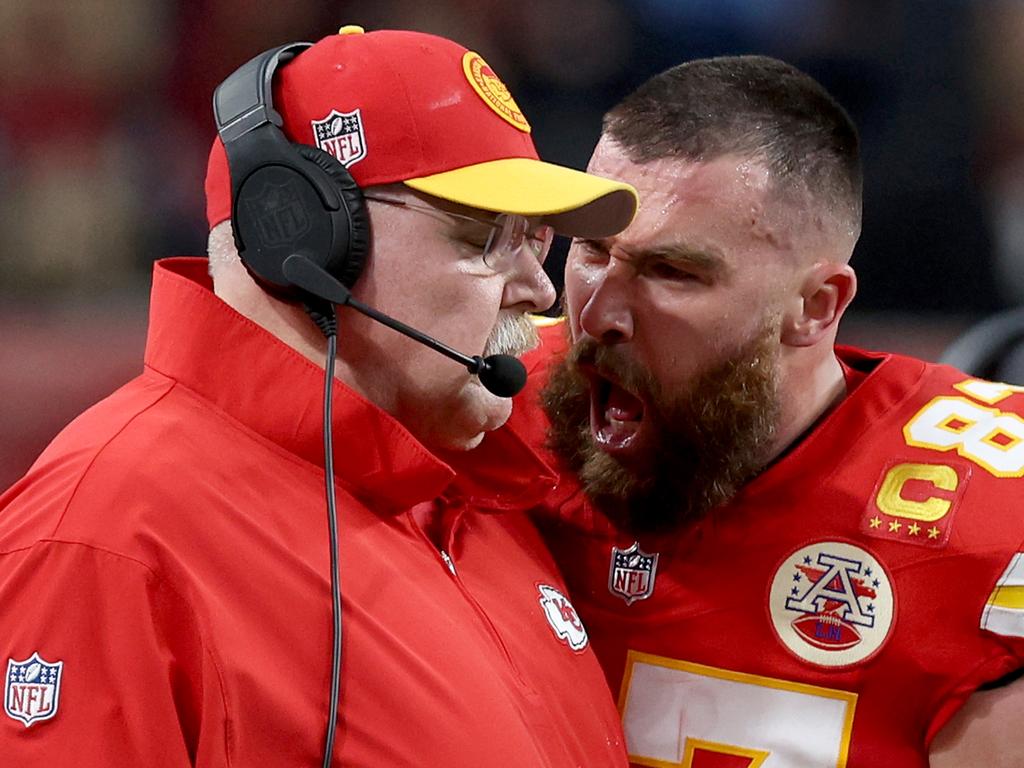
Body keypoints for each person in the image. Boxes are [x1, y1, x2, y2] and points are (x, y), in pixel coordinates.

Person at [0, 27, 640, 767]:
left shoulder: (465, 487)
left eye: (535, 241)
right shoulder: (106, 540)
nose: (540, 288)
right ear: (302, 239)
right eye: (485, 239)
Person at [509, 55, 1024, 767]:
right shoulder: (478, 404)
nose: (598, 315)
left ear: (815, 307)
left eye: (671, 272)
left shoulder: (987, 522)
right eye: (592, 251)